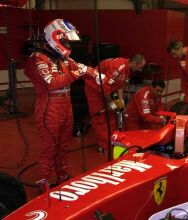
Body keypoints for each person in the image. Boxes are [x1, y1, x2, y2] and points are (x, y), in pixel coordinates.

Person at [25, 19, 98, 190]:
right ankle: (44, 184)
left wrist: (96, 74)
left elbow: (81, 68)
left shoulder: (63, 58)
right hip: (49, 107)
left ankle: (62, 177)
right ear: (54, 38)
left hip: (66, 105)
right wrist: (75, 74)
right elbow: (50, 83)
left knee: (64, 146)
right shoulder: (38, 59)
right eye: (64, 41)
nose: (66, 45)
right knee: (50, 148)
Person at [84, 55, 146, 153]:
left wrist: (120, 101)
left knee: (115, 113)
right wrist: (110, 103)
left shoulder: (127, 69)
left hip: (110, 90)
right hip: (94, 89)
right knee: (102, 118)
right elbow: (105, 86)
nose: (141, 70)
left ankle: (112, 142)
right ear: (135, 63)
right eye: (140, 67)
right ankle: (104, 147)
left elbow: (120, 85)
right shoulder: (118, 67)